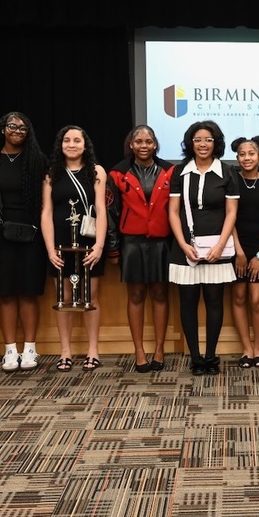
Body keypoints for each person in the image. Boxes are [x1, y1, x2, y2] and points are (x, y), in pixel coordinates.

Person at [168, 120, 239, 376]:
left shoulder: (227, 172)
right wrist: (182, 244)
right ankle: (195, 358)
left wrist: (220, 245)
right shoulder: (180, 172)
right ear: (190, 143)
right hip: (186, 247)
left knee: (214, 302)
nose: (203, 144)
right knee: (187, 302)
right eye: (197, 139)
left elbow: (231, 213)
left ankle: (211, 356)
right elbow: (173, 212)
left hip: (216, 249)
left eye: (208, 139)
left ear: (216, 143)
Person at [0, 112, 48, 373]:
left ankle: (30, 348)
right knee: (6, 292)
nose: (17, 130)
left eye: (23, 128)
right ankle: (10, 349)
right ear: (2, 129)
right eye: (12, 126)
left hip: (32, 234)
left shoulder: (37, 160)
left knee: (29, 292)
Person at [107, 125, 174, 372]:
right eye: (138, 141)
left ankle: (159, 349)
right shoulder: (117, 173)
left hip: (162, 243)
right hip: (132, 243)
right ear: (131, 145)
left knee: (160, 294)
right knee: (135, 295)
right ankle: (139, 350)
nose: (143, 145)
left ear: (155, 144)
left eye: (148, 141)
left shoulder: (170, 171)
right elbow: (111, 213)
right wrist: (113, 248)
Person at [41, 125, 108, 372]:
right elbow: (46, 213)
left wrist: (99, 246)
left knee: (90, 297)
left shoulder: (96, 171)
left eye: (77, 140)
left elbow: (101, 209)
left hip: (90, 244)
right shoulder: (51, 174)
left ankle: (93, 350)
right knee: (64, 298)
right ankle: (65, 352)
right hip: (60, 245)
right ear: (60, 145)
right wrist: (50, 250)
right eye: (67, 140)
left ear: (85, 144)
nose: (71, 144)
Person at [230, 135, 259, 368]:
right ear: (237, 158)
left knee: (257, 300)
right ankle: (246, 349)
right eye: (242, 154)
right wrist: (239, 252)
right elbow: (228, 219)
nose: (246, 158)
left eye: (251, 154)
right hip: (236, 247)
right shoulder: (231, 181)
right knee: (239, 297)